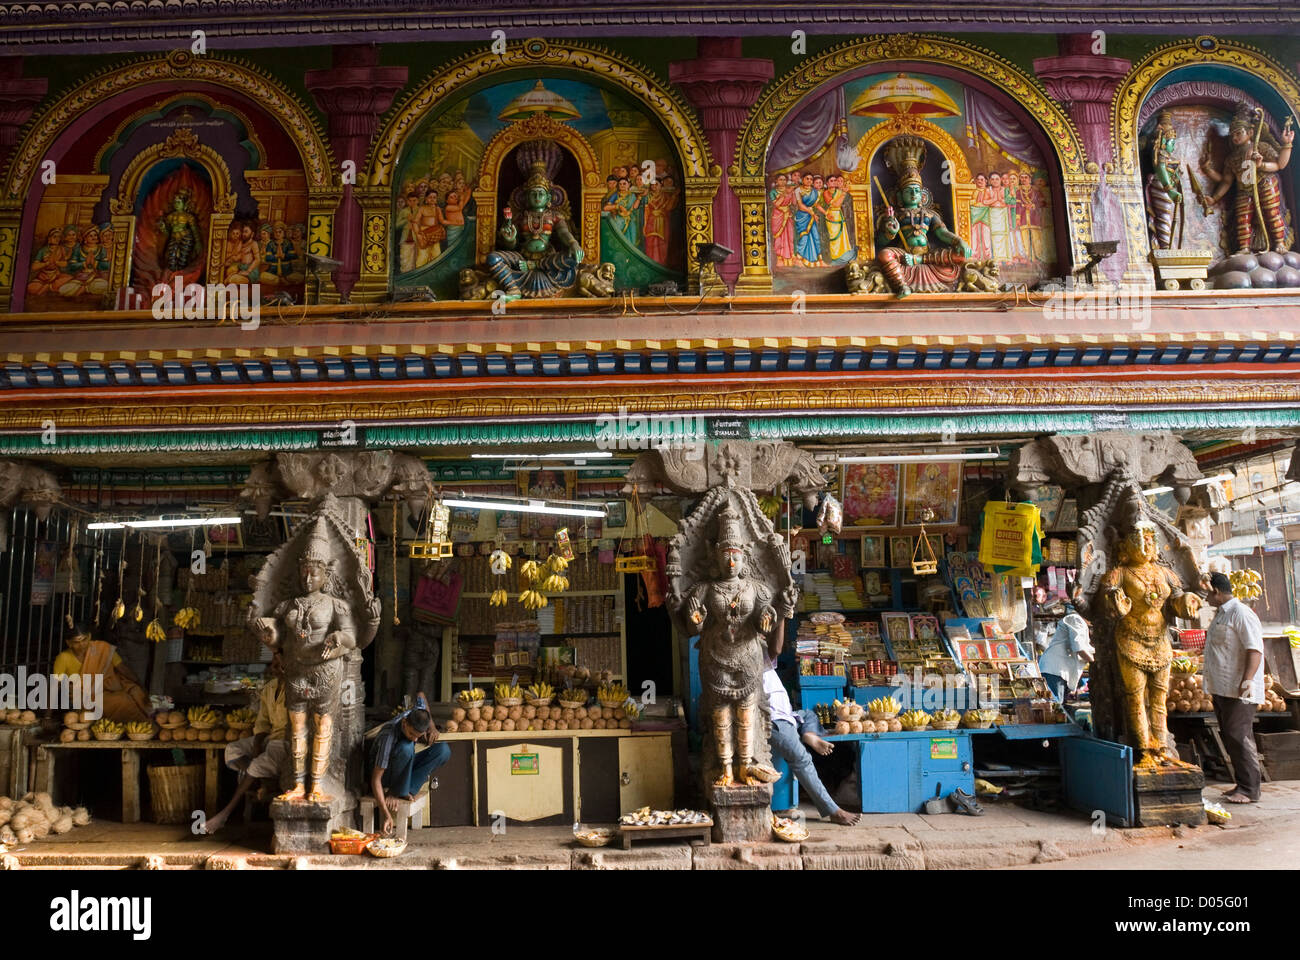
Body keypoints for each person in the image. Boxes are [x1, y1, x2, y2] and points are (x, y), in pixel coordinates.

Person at [203, 652, 289, 832]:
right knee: (232, 749)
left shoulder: (295, 688)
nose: (274, 666)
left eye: (279, 662)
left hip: (285, 743)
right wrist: (257, 744)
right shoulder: (270, 688)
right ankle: (261, 781)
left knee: (256, 764)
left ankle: (224, 814)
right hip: (269, 738)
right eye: (273, 661)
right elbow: (262, 723)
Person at [763, 665, 859, 825]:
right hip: (774, 720)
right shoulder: (751, 659)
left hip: (788, 716)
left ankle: (809, 735)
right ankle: (833, 811)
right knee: (802, 759)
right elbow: (777, 649)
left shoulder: (763, 658)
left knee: (810, 714)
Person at [1203, 571, 1264, 804]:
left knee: (1239, 736)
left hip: (1239, 688)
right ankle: (1242, 784)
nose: (1205, 598)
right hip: (1222, 687)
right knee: (1232, 736)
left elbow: (1254, 649)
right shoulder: (1221, 615)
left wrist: (1247, 679)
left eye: (1207, 593)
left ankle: (1250, 789)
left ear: (1216, 591)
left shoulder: (1241, 613)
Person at [369, 692, 449, 835]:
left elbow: (421, 696)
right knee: (406, 748)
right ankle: (398, 790)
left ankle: (405, 789)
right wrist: (386, 813)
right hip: (385, 773)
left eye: (418, 737)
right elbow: (376, 779)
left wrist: (432, 727)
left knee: (443, 750)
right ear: (404, 723)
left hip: (404, 764)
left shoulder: (416, 711)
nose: (414, 740)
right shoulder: (388, 737)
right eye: (412, 734)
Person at [51, 618, 151, 724]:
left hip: (107, 688)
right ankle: (142, 724)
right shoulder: (63, 658)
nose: (82, 645)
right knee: (122, 700)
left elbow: (122, 668)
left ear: (89, 636)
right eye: (76, 642)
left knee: (135, 691)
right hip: (83, 696)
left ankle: (143, 721)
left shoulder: (102, 648)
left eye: (84, 640)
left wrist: (140, 684)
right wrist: (48, 717)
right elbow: (54, 686)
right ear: (69, 643)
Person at [1037, 611, 1094, 704]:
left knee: (1059, 707)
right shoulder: (1075, 619)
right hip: (1054, 669)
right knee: (1055, 706)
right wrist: (1094, 662)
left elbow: (1085, 648)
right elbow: (1078, 647)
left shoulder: (1082, 625)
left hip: (1059, 671)